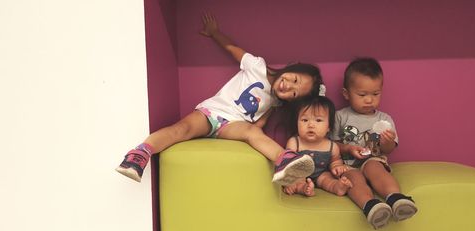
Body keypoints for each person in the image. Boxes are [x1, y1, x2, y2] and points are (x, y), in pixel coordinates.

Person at [116, 13, 324, 186]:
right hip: (212, 113)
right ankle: (140, 154)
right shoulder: (257, 66)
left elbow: (260, 122)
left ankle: (284, 160)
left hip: (234, 125)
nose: (288, 87)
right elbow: (232, 49)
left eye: (294, 93)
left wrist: (255, 130)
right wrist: (215, 33)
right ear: (292, 67)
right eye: (294, 79)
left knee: (253, 132)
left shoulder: (277, 101)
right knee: (182, 130)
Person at [332, 57, 417, 229]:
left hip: (373, 159)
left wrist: (388, 142)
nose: (369, 100)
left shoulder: (384, 119)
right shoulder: (341, 116)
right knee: (352, 179)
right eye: (362, 95)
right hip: (348, 164)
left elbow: (389, 150)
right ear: (346, 94)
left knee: (374, 168)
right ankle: (371, 206)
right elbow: (332, 145)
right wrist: (348, 148)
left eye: (375, 94)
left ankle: (395, 198)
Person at [282, 96, 352, 197]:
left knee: (327, 179)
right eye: (305, 120)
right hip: (299, 173)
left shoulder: (331, 146)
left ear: (329, 127)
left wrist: (337, 167)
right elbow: (287, 164)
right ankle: (304, 189)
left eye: (318, 120)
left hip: (321, 174)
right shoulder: (294, 143)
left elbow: (335, 161)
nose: (311, 125)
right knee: (297, 180)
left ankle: (338, 187)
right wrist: (288, 182)